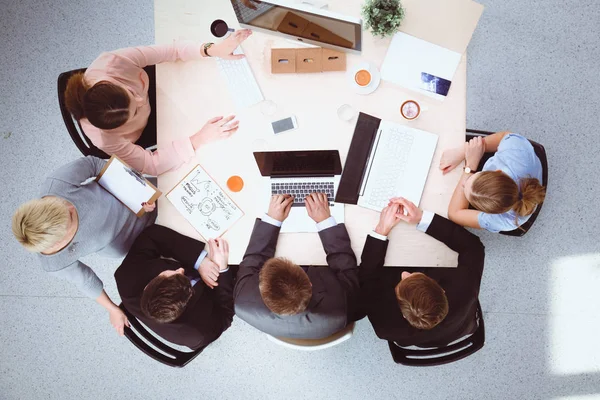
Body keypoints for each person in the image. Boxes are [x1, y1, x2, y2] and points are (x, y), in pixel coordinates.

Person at [63, 30, 253, 176]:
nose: (140, 99)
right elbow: (150, 165)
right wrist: (199, 138)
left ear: (114, 82)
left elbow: (171, 50)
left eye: (130, 93)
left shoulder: (112, 63)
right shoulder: (104, 139)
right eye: (135, 111)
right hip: (155, 127)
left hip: (164, 87)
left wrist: (212, 49)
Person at [11, 156, 156, 335]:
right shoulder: (55, 262)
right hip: (134, 243)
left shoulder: (56, 184)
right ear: (61, 243)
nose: (72, 209)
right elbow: (86, 281)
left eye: (63, 205)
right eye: (70, 219)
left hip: (137, 201)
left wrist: (136, 190)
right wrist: (112, 309)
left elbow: (92, 164)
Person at [357, 197, 485, 347]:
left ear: (404, 314)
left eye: (403, 281)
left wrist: (381, 229)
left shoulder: (384, 327)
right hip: (457, 328)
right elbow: (473, 248)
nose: (405, 273)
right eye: (414, 275)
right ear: (442, 291)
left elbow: (366, 278)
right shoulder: (465, 291)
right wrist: (422, 218)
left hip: (431, 335)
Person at [234, 193, 359, 339]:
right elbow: (344, 264)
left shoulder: (242, 303)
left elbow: (254, 258)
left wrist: (272, 220)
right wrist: (325, 221)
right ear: (310, 283)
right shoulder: (343, 308)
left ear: (261, 289)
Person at [115, 225, 234, 349]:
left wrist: (199, 262)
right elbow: (225, 314)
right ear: (188, 299)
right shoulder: (200, 334)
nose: (180, 269)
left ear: (149, 286)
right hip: (219, 288)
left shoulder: (126, 277)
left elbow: (152, 235)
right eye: (183, 277)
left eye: (167, 274)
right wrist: (222, 269)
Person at [440, 132, 546, 232]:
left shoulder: (503, 221)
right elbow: (504, 136)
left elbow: (454, 214)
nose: (463, 183)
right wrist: (462, 152)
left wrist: (470, 167)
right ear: (498, 171)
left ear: (486, 212)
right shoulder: (516, 153)